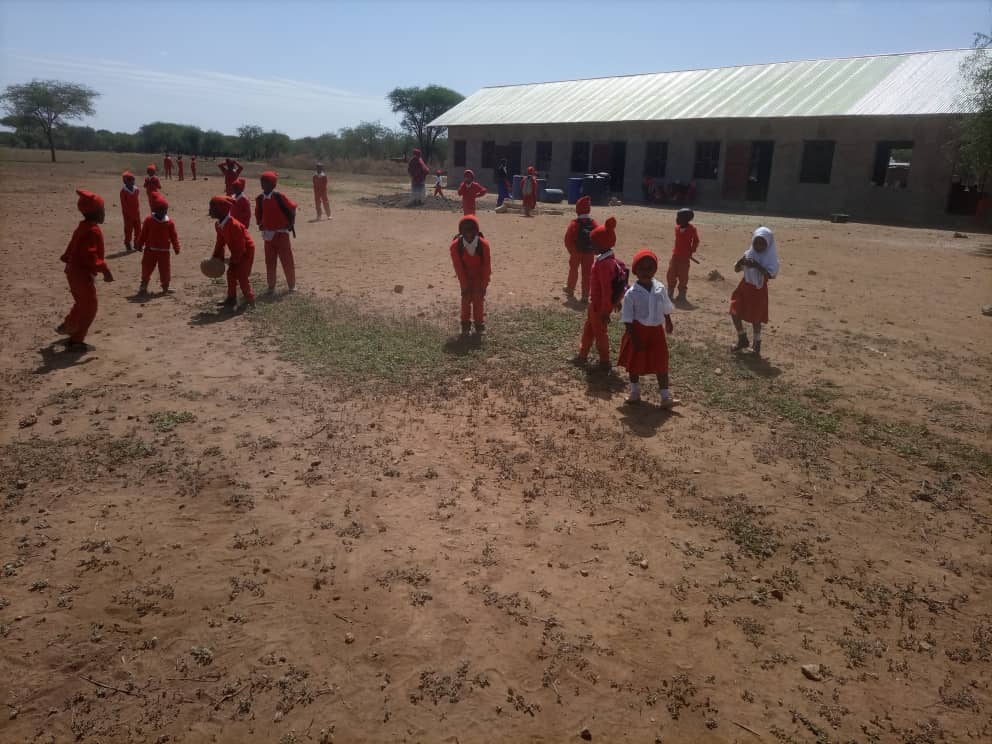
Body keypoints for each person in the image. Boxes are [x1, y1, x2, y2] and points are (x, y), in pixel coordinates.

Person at [618, 249, 680, 408]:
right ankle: (634, 392)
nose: (646, 272)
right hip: (638, 331)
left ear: (655, 269)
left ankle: (665, 397)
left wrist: (668, 321)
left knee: (661, 361)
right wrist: (633, 337)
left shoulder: (660, 288)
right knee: (634, 362)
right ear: (635, 270)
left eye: (650, 268)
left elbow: (665, 306)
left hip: (656, 332)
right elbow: (627, 318)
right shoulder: (631, 294)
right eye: (642, 268)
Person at [58, 189, 114, 352]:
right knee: (90, 306)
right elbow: (91, 255)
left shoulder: (83, 226)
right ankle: (76, 340)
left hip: (73, 271)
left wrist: (67, 258)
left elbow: (72, 245)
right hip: (81, 274)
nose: (104, 213)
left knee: (81, 302)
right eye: (102, 210)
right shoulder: (92, 230)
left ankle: (68, 325)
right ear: (95, 213)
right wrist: (105, 270)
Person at [574, 217, 623, 369]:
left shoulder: (604, 265)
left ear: (601, 245)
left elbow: (607, 289)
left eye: (594, 243)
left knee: (600, 333)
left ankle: (604, 361)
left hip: (599, 307)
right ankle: (582, 355)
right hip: (595, 305)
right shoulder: (608, 260)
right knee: (589, 330)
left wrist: (605, 311)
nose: (591, 245)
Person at [730, 226, 779, 357]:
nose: (758, 246)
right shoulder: (749, 253)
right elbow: (736, 269)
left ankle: (756, 344)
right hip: (744, 287)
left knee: (756, 318)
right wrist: (741, 261)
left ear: (768, 244)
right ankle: (742, 338)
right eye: (756, 242)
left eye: (762, 243)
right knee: (734, 310)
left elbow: (771, 274)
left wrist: (757, 265)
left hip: (758, 290)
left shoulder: (771, 258)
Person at [209, 195, 256, 311]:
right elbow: (220, 242)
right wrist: (216, 256)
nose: (209, 211)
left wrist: (235, 259)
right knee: (231, 273)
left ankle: (250, 300)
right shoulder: (218, 225)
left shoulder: (234, 225)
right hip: (237, 250)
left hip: (246, 250)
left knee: (241, 275)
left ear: (221, 210)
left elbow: (241, 246)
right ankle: (231, 298)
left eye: (212, 208)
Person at [255, 171, 297, 294]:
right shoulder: (260, 199)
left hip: (281, 234)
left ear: (273, 184)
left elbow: (292, 208)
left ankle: (292, 285)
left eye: (266, 182)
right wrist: (260, 224)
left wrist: (291, 223)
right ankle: (271, 286)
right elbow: (258, 214)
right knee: (270, 261)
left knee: (287, 260)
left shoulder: (279, 197)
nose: (263, 184)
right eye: (262, 182)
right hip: (268, 236)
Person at [449, 214, 492, 338]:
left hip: (479, 275)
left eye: (471, 229)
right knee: (466, 298)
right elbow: (458, 267)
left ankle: (479, 325)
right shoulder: (455, 246)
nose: (468, 233)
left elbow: (486, 266)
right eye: (465, 230)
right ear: (461, 231)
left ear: (476, 230)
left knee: (478, 299)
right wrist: (464, 286)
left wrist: (484, 285)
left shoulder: (483, 245)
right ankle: (465, 325)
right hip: (465, 275)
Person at [136, 192, 180, 296]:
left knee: (165, 271)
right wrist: (139, 244)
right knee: (146, 269)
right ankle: (144, 285)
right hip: (150, 251)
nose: (163, 212)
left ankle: (165, 287)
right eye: (161, 209)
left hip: (164, 252)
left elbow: (173, 236)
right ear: (155, 210)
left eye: (165, 209)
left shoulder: (169, 223)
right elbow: (143, 234)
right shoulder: (149, 220)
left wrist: (176, 247)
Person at [563, 194, 598, 302]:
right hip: (589, 252)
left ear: (577, 209)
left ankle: (570, 289)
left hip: (576, 251)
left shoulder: (574, 223)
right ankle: (585, 295)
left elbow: (568, 239)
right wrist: (594, 250)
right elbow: (598, 238)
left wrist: (572, 251)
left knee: (573, 270)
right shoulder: (593, 223)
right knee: (587, 273)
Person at [667, 207, 700, 303]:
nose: (677, 219)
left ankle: (682, 295)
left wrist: (692, 250)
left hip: (685, 259)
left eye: (679, 217)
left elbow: (696, 241)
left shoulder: (692, 229)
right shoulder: (677, 228)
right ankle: (670, 293)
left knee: (683, 277)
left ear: (686, 219)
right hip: (675, 256)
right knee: (671, 274)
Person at [120, 171, 142, 252]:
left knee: (138, 228)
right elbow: (124, 205)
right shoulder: (123, 192)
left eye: (133, 180)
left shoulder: (136, 190)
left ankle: (137, 243)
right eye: (130, 180)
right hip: (127, 215)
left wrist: (136, 212)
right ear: (125, 181)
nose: (132, 181)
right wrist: (129, 214)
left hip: (136, 213)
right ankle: (127, 243)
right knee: (128, 229)